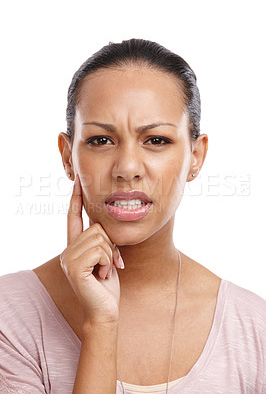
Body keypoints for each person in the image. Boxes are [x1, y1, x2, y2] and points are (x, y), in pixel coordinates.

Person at [0, 39, 265, 394]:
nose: (127, 168)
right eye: (100, 140)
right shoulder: (9, 315)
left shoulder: (254, 329)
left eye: (156, 140)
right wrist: (100, 325)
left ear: (196, 156)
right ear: (67, 157)